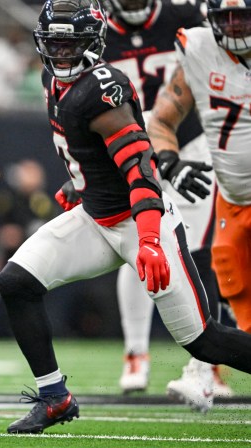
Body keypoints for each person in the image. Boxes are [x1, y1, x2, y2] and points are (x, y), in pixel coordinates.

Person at [0, 0, 251, 435]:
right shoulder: (51, 79)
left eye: (71, 45)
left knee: (203, 341)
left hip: (140, 220)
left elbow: (141, 173)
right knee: (16, 282)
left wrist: (150, 239)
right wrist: (79, 183)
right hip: (96, 218)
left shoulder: (102, 92)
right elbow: (87, 151)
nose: (61, 54)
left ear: (94, 44)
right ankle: (55, 398)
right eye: (54, 44)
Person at [101, 0, 233, 406]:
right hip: (127, 149)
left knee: (199, 249)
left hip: (187, 143)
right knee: (138, 245)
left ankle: (206, 364)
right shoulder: (97, 32)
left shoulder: (184, 17)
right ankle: (136, 352)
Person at [147, 0, 251, 405]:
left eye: (243, 16)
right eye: (226, 18)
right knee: (235, 294)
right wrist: (170, 163)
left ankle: (203, 372)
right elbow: (161, 120)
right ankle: (206, 371)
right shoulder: (199, 49)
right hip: (233, 198)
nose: (235, 26)